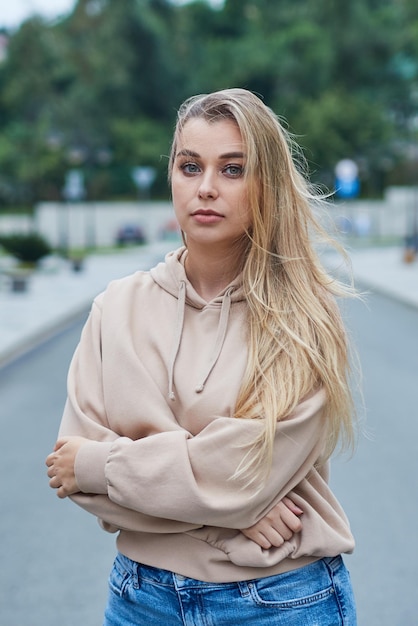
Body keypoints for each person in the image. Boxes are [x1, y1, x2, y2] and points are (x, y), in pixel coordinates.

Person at [46, 88, 358, 625]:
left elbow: (244, 477)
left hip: (279, 601)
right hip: (139, 600)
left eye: (232, 169)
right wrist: (226, 518)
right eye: (190, 166)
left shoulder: (303, 318)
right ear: (171, 175)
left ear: (266, 184)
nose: (206, 188)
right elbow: (71, 473)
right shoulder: (116, 307)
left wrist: (106, 467)